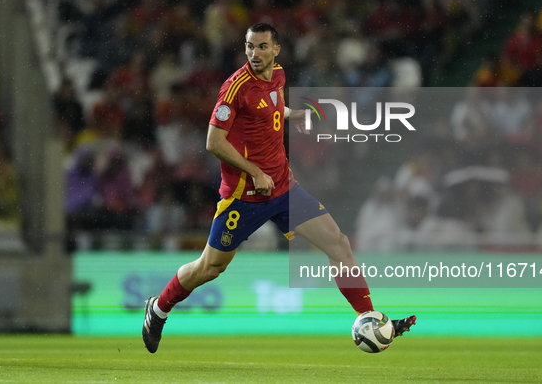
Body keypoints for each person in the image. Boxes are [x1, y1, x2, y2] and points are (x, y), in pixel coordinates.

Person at [142, 23, 416, 353]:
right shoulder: (234, 88)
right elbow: (214, 141)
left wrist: (291, 114)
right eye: (249, 47)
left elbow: (266, 109)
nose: (254, 54)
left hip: (283, 189)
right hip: (243, 196)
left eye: (261, 47)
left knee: (338, 244)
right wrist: (254, 171)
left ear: (276, 50)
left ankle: (368, 317)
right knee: (209, 267)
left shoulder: (279, 77)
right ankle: (158, 309)